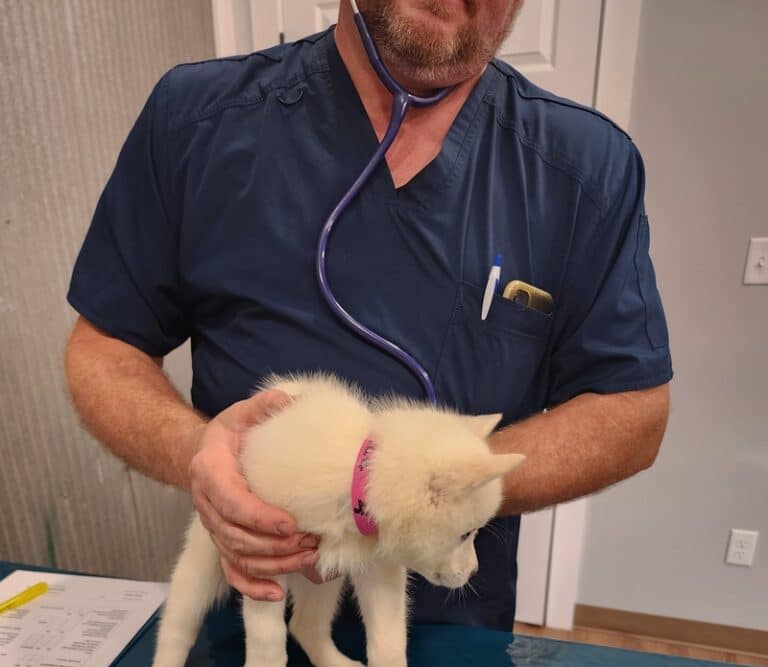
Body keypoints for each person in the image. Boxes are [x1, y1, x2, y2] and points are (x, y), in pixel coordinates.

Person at [65, 0, 672, 632]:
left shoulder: (583, 168)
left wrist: (429, 490)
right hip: (250, 621)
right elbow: (105, 347)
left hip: (448, 643)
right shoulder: (197, 120)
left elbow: (633, 412)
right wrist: (197, 452)